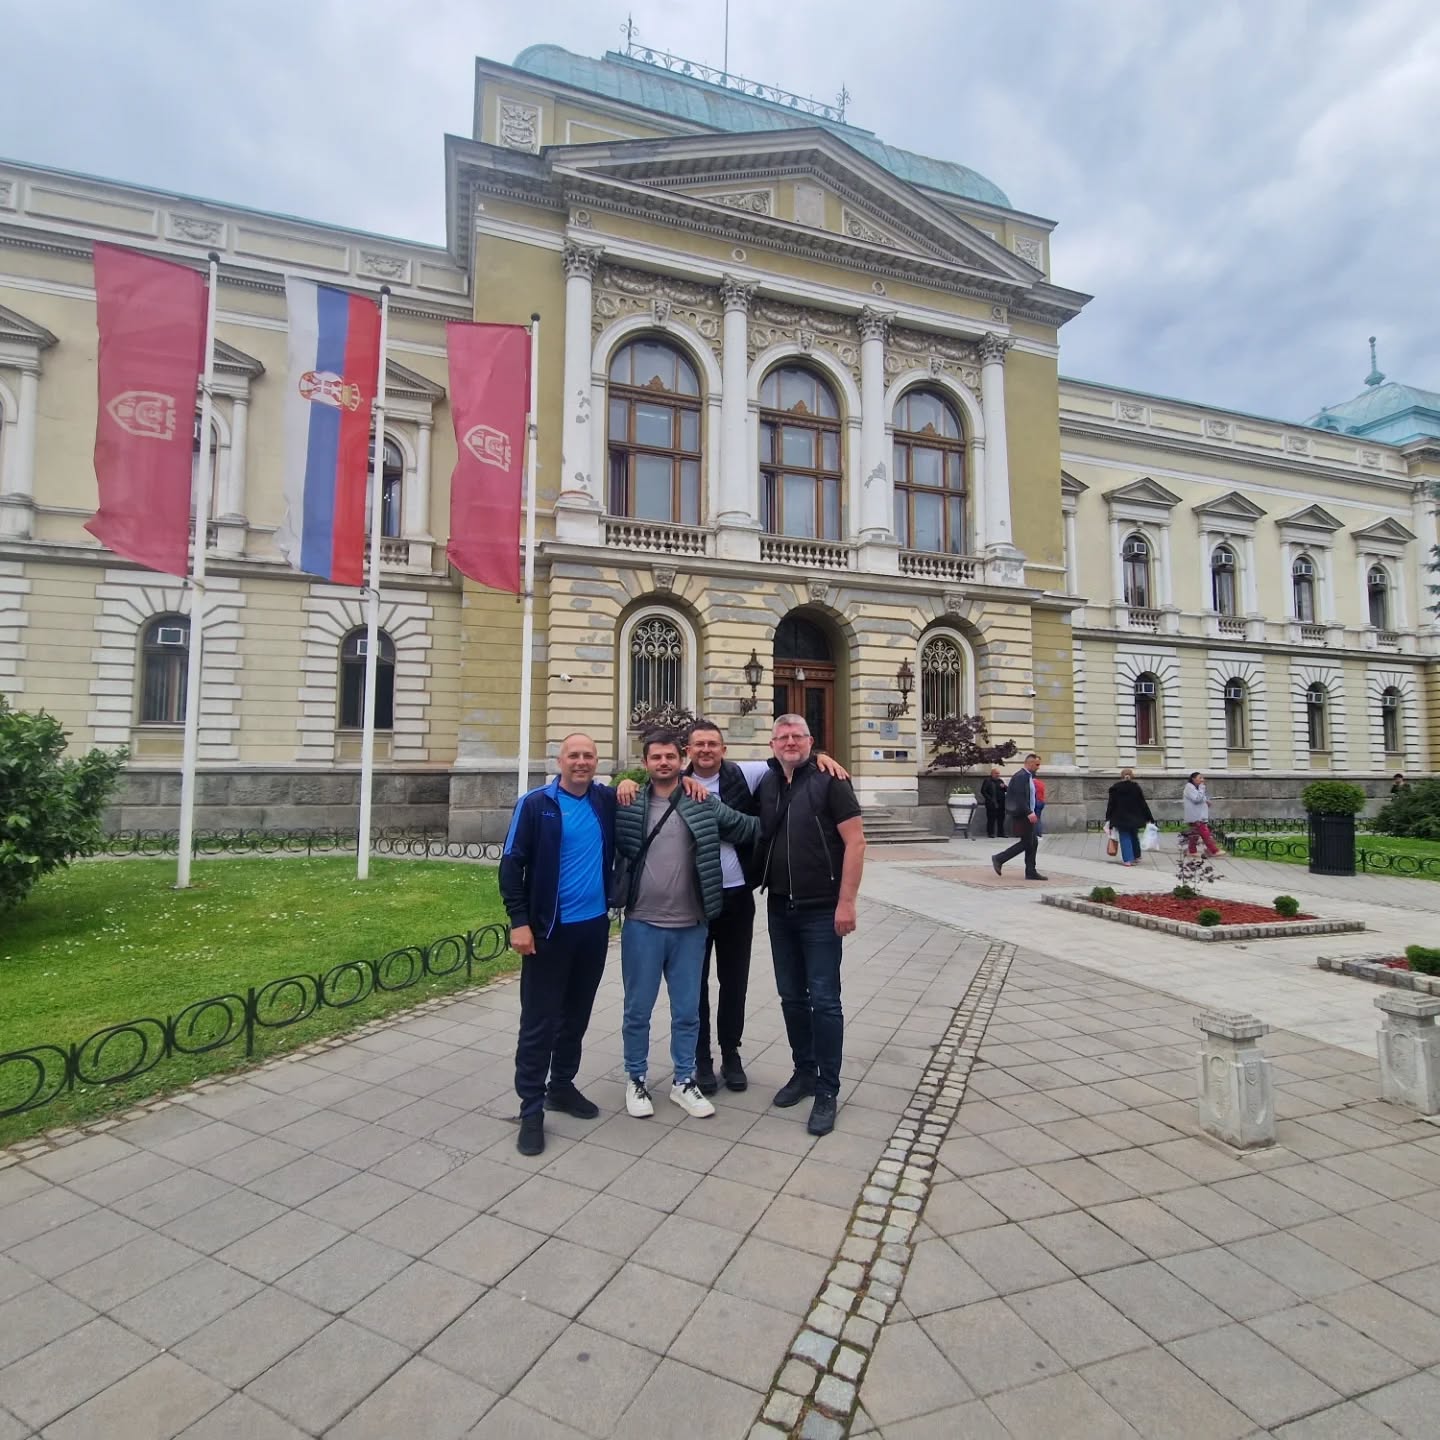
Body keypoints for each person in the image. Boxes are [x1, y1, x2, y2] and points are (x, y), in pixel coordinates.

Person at [642, 720, 847, 1097]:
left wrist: (820, 757)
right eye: (699, 744)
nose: (706, 750)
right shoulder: (674, 781)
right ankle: (701, 1059)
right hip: (693, 900)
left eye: (713, 744)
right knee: (694, 984)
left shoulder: (744, 774)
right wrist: (625, 785)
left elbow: (787, 757)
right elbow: (645, 787)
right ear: (688, 750)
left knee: (734, 981)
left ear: (723, 749)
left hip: (737, 896)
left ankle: (730, 1054)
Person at [615, 730, 759, 1122]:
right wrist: (623, 783)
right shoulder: (628, 803)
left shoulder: (701, 801)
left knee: (687, 1012)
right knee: (637, 1010)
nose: (663, 763)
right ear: (645, 763)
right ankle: (636, 1078)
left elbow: (751, 828)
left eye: (669, 757)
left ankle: (683, 1079)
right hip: (643, 924)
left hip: (691, 925)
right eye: (655, 757)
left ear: (681, 760)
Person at [499, 732, 616, 1158]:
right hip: (549, 932)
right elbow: (511, 864)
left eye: (588, 756)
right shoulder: (536, 805)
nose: (581, 762)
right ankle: (531, 1109)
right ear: (559, 761)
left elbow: (649, 790)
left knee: (576, 1016)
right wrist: (519, 922)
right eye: (574, 755)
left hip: (593, 929)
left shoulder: (604, 801)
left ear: (596, 762)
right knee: (539, 1021)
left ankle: (561, 1086)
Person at [756, 714, 866, 1138]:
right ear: (772, 744)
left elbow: (856, 841)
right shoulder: (768, 782)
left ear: (810, 741)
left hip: (822, 910)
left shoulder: (830, 780)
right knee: (791, 997)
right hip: (779, 907)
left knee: (824, 1000)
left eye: (797, 736)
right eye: (782, 736)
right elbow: (718, 767)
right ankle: (803, 1072)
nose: (789, 742)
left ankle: (827, 1089)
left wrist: (847, 902)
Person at [992, 753, 1046, 881]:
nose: (1038, 767)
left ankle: (1031, 871)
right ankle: (999, 858)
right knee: (1027, 842)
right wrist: (1029, 812)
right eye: (1037, 764)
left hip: (1025, 813)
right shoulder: (1021, 776)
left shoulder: (1026, 776)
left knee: (1033, 841)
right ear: (1030, 763)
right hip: (1022, 815)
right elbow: (1019, 797)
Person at [1105, 767, 1153, 866]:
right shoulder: (1136, 787)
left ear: (1121, 776)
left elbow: (1111, 805)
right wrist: (1149, 817)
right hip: (1135, 817)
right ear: (1132, 776)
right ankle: (1137, 856)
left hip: (1120, 817)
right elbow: (1142, 803)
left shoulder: (1115, 788)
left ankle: (1128, 859)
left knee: (1124, 836)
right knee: (1134, 836)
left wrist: (1108, 818)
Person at [1183, 771, 1222, 857]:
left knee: (1195, 834)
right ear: (1193, 779)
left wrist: (1206, 801)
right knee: (1205, 833)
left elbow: (1200, 798)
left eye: (1202, 778)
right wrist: (1202, 788)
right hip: (1196, 816)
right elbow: (1197, 799)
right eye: (1200, 778)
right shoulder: (1189, 788)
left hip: (1198, 815)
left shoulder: (1195, 788)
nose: (1202, 780)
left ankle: (1192, 851)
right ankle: (1214, 850)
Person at [979, 765, 1006, 839]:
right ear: (992, 774)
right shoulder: (988, 781)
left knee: (1001, 818)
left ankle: (1001, 833)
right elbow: (983, 791)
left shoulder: (1000, 781)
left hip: (1001, 804)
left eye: (998, 773)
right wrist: (989, 799)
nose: (998, 775)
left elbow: (1006, 789)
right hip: (992, 804)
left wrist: (1004, 787)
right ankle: (990, 833)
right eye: (996, 773)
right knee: (991, 819)